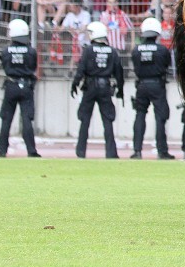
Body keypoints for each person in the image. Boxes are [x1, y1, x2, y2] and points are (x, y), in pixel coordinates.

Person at [71, 21, 124, 158]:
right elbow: (119, 72)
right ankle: (111, 153)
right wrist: (120, 89)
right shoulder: (112, 51)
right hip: (105, 87)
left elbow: (81, 69)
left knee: (85, 120)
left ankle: (81, 152)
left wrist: (75, 84)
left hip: (90, 87)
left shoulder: (88, 50)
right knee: (108, 121)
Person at [130, 17, 174, 160]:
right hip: (157, 84)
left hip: (141, 85)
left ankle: (137, 151)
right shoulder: (162, 50)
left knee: (140, 115)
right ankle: (162, 151)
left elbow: (135, 66)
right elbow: (167, 65)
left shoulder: (136, 50)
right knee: (160, 118)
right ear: (157, 33)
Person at [0, 18, 40, 158]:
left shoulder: (5, 51)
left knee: (6, 119)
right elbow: (33, 67)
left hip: (11, 85)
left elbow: (5, 66)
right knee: (27, 119)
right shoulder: (31, 51)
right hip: (26, 85)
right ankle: (31, 150)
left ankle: (2, 150)